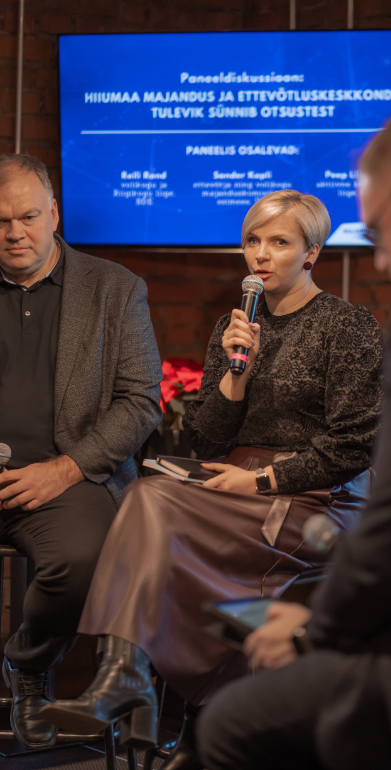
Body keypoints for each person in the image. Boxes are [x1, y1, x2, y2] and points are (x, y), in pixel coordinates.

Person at [196, 102, 391, 770]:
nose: (384, 260)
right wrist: (235, 375)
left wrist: (320, 627)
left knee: (233, 727)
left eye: (378, 235)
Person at [41, 190, 384, 764]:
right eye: (253, 240)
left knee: (154, 509)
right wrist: (234, 376)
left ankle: (145, 693)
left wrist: (262, 481)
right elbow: (208, 441)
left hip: (317, 498)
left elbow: (356, 444)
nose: (261, 255)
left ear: (312, 253)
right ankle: (151, 697)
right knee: (148, 494)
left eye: (279, 242)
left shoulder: (347, 326)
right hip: (233, 485)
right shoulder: (234, 326)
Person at [0, 154, 162, 749]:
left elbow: (141, 402)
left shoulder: (115, 288)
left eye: (27, 217)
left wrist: (64, 470)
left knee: (86, 558)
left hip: (67, 477)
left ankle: (26, 666)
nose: (15, 233)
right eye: (0, 221)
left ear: (54, 214)